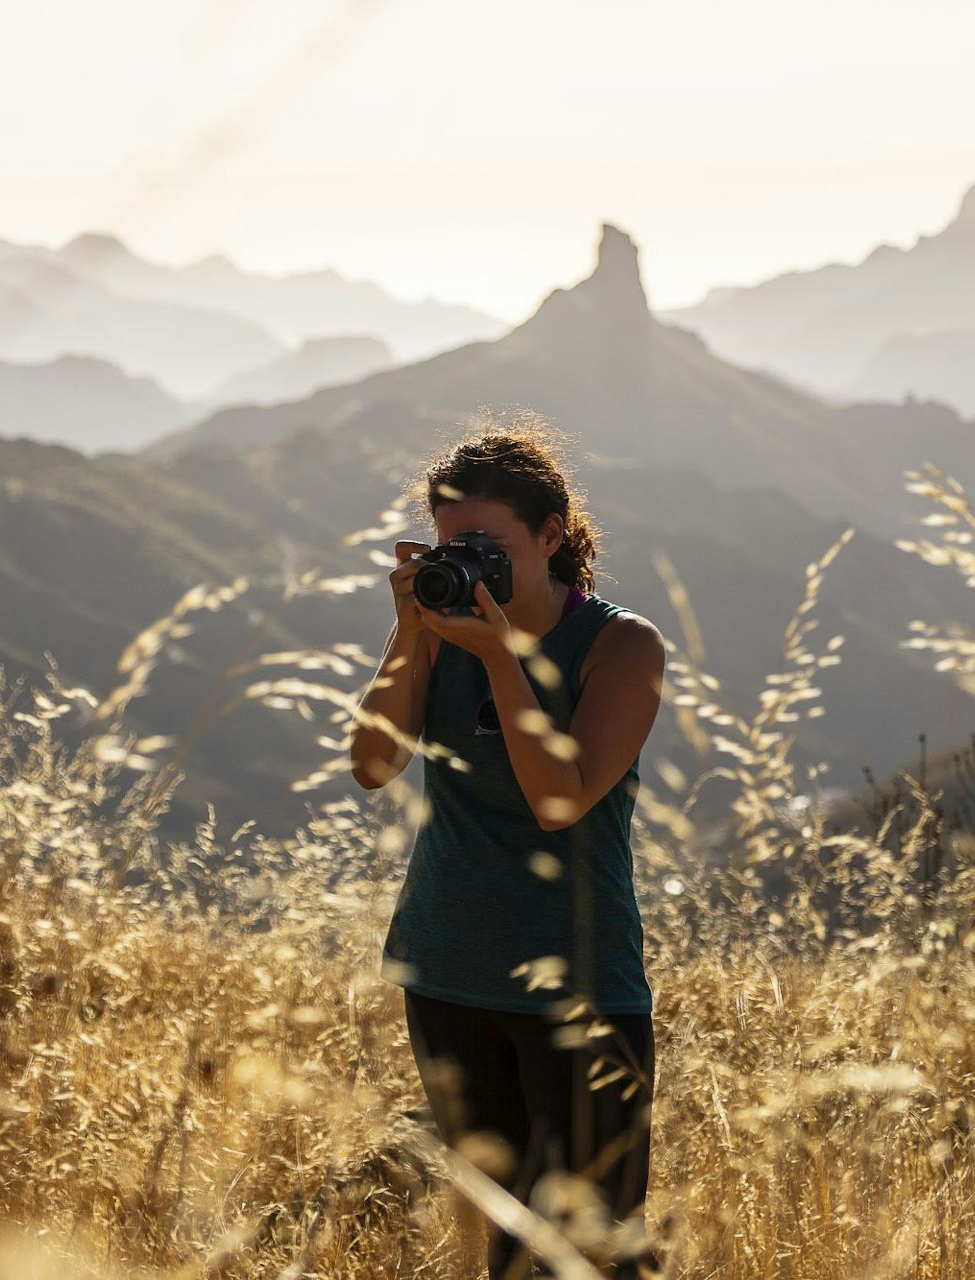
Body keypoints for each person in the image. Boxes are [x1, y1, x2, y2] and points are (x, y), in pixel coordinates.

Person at [350, 418, 666, 1279]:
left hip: (582, 986)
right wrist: (411, 628)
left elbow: (559, 799)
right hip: (447, 972)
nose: (471, 562)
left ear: (553, 535)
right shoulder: (441, 632)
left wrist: (497, 659)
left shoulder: (620, 645)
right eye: (454, 546)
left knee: (595, 1248)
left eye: (490, 545)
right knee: (515, 1247)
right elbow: (373, 765)